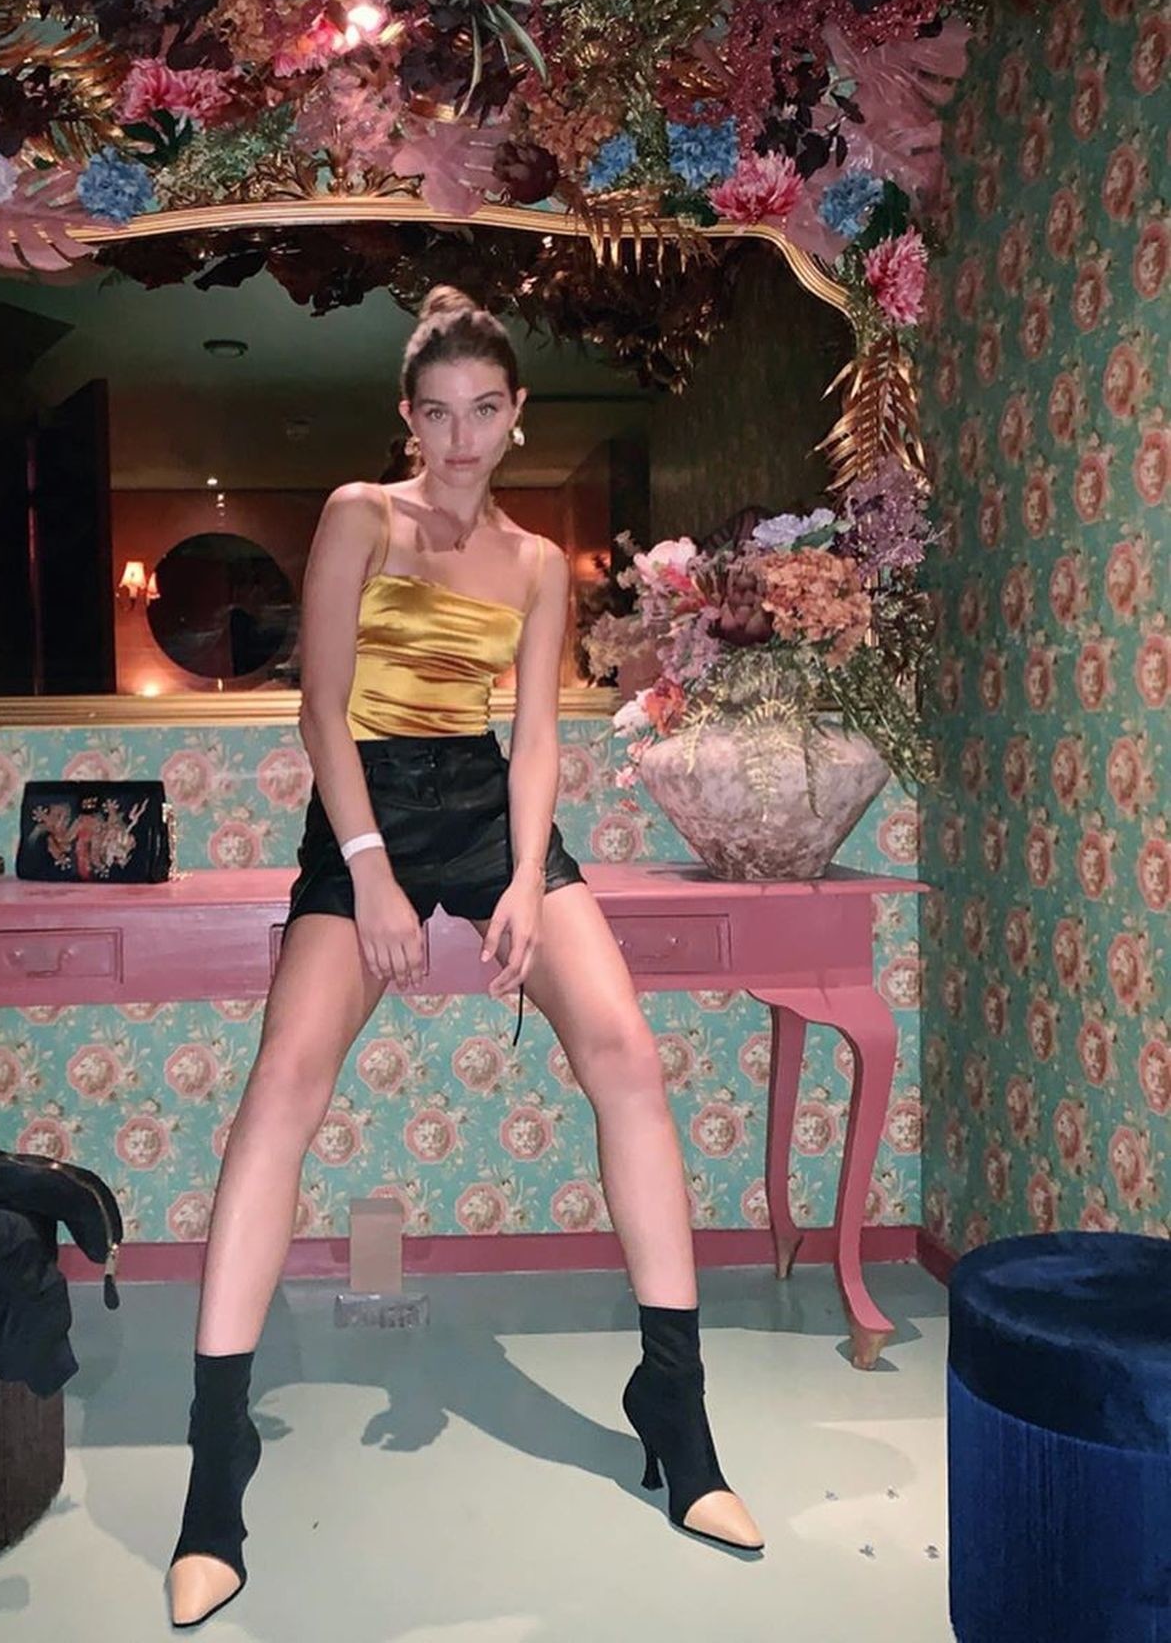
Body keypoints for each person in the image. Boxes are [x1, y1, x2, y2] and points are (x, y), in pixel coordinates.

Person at [166, 286, 763, 1630]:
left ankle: (677, 1413)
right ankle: (217, 1467)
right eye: (436, 415)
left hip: (490, 815)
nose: (460, 439)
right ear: (408, 418)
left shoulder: (538, 561)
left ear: (515, 415)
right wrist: (374, 874)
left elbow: (535, 736)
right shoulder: (357, 516)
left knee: (626, 1053)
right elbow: (322, 711)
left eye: (483, 412)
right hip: (366, 817)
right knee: (283, 1085)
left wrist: (526, 880)